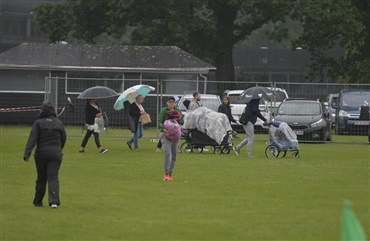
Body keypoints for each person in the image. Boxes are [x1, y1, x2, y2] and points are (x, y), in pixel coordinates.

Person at [23, 101, 67, 208]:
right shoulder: (58, 123)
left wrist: (27, 154)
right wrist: (59, 148)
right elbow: (64, 138)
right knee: (53, 177)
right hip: (55, 153)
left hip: (41, 153)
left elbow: (32, 139)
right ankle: (54, 202)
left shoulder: (38, 123)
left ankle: (38, 202)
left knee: (41, 178)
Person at [158, 96, 184, 181]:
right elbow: (159, 123)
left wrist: (177, 116)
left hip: (175, 135)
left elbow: (182, 121)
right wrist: (164, 130)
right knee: (167, 153)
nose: (171, 103)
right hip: (166, 135)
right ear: (167, 103)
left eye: (173, 101)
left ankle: (170, 174)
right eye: (170, 101)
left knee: (174, 155)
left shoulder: (177, 110)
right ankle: (166, 173)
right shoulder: (163, 110)